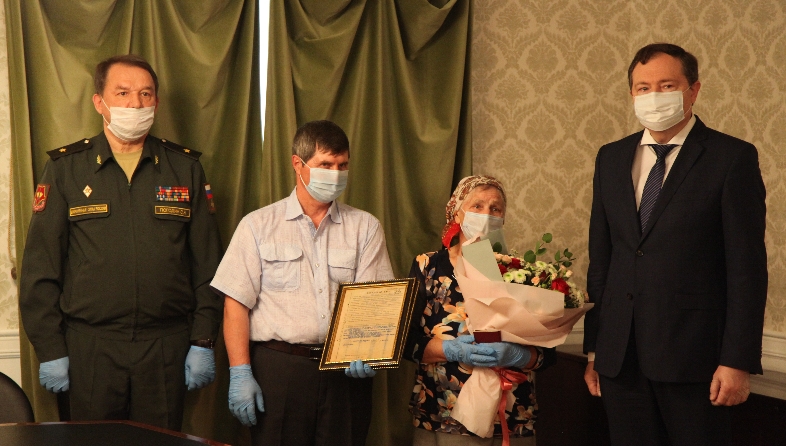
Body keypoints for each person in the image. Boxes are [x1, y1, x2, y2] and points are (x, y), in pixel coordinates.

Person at [19, 54, 223, 430]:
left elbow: (209, 268)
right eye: (123, 93)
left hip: (166, 346)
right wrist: (49, 348)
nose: (135, 104)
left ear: (156, 102)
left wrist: (203, 340)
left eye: (146, 94)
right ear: (100, 102)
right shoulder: (66, 168)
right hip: (89, 348)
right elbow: (40, 270)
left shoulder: (185, 168)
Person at [583, 43, 768, 446]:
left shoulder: (731, 157)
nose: (654, 96)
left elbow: (747, 270)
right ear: (631, 94)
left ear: (693, 90)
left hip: (697, 362)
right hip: (620, 361)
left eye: (666, 85)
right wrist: (596, 350)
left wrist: (737, 361)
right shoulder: (610, 158)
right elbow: (603, 261)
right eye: (643, 87)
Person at [210, 120, 394, 446]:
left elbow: (375, 304)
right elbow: (235, 304)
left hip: (344, 374)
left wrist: (370, 352)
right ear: (298, 164)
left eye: (342, 165)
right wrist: (240, 372)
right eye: (326, 165)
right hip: (280, 370)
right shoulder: (257, 225)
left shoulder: (365, 227)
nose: (336, 174)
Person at [404, 175, 556, 446]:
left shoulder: (521, 272)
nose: (487, 215)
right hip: (444, 412)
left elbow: (548, 354)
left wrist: (520, 355)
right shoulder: (428, 267)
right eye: (477, 206)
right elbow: (404, 342)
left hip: (512, 414)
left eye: (495, 209)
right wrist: (450, 349)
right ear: (457, 213)